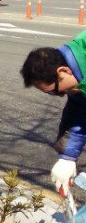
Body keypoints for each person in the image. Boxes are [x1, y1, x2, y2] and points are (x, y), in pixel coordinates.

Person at [20, 31, 86, 195]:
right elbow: (79, 113)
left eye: (55, 91)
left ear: (64, 71)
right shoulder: (77, 81)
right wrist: (68, 157)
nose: (61, 95)